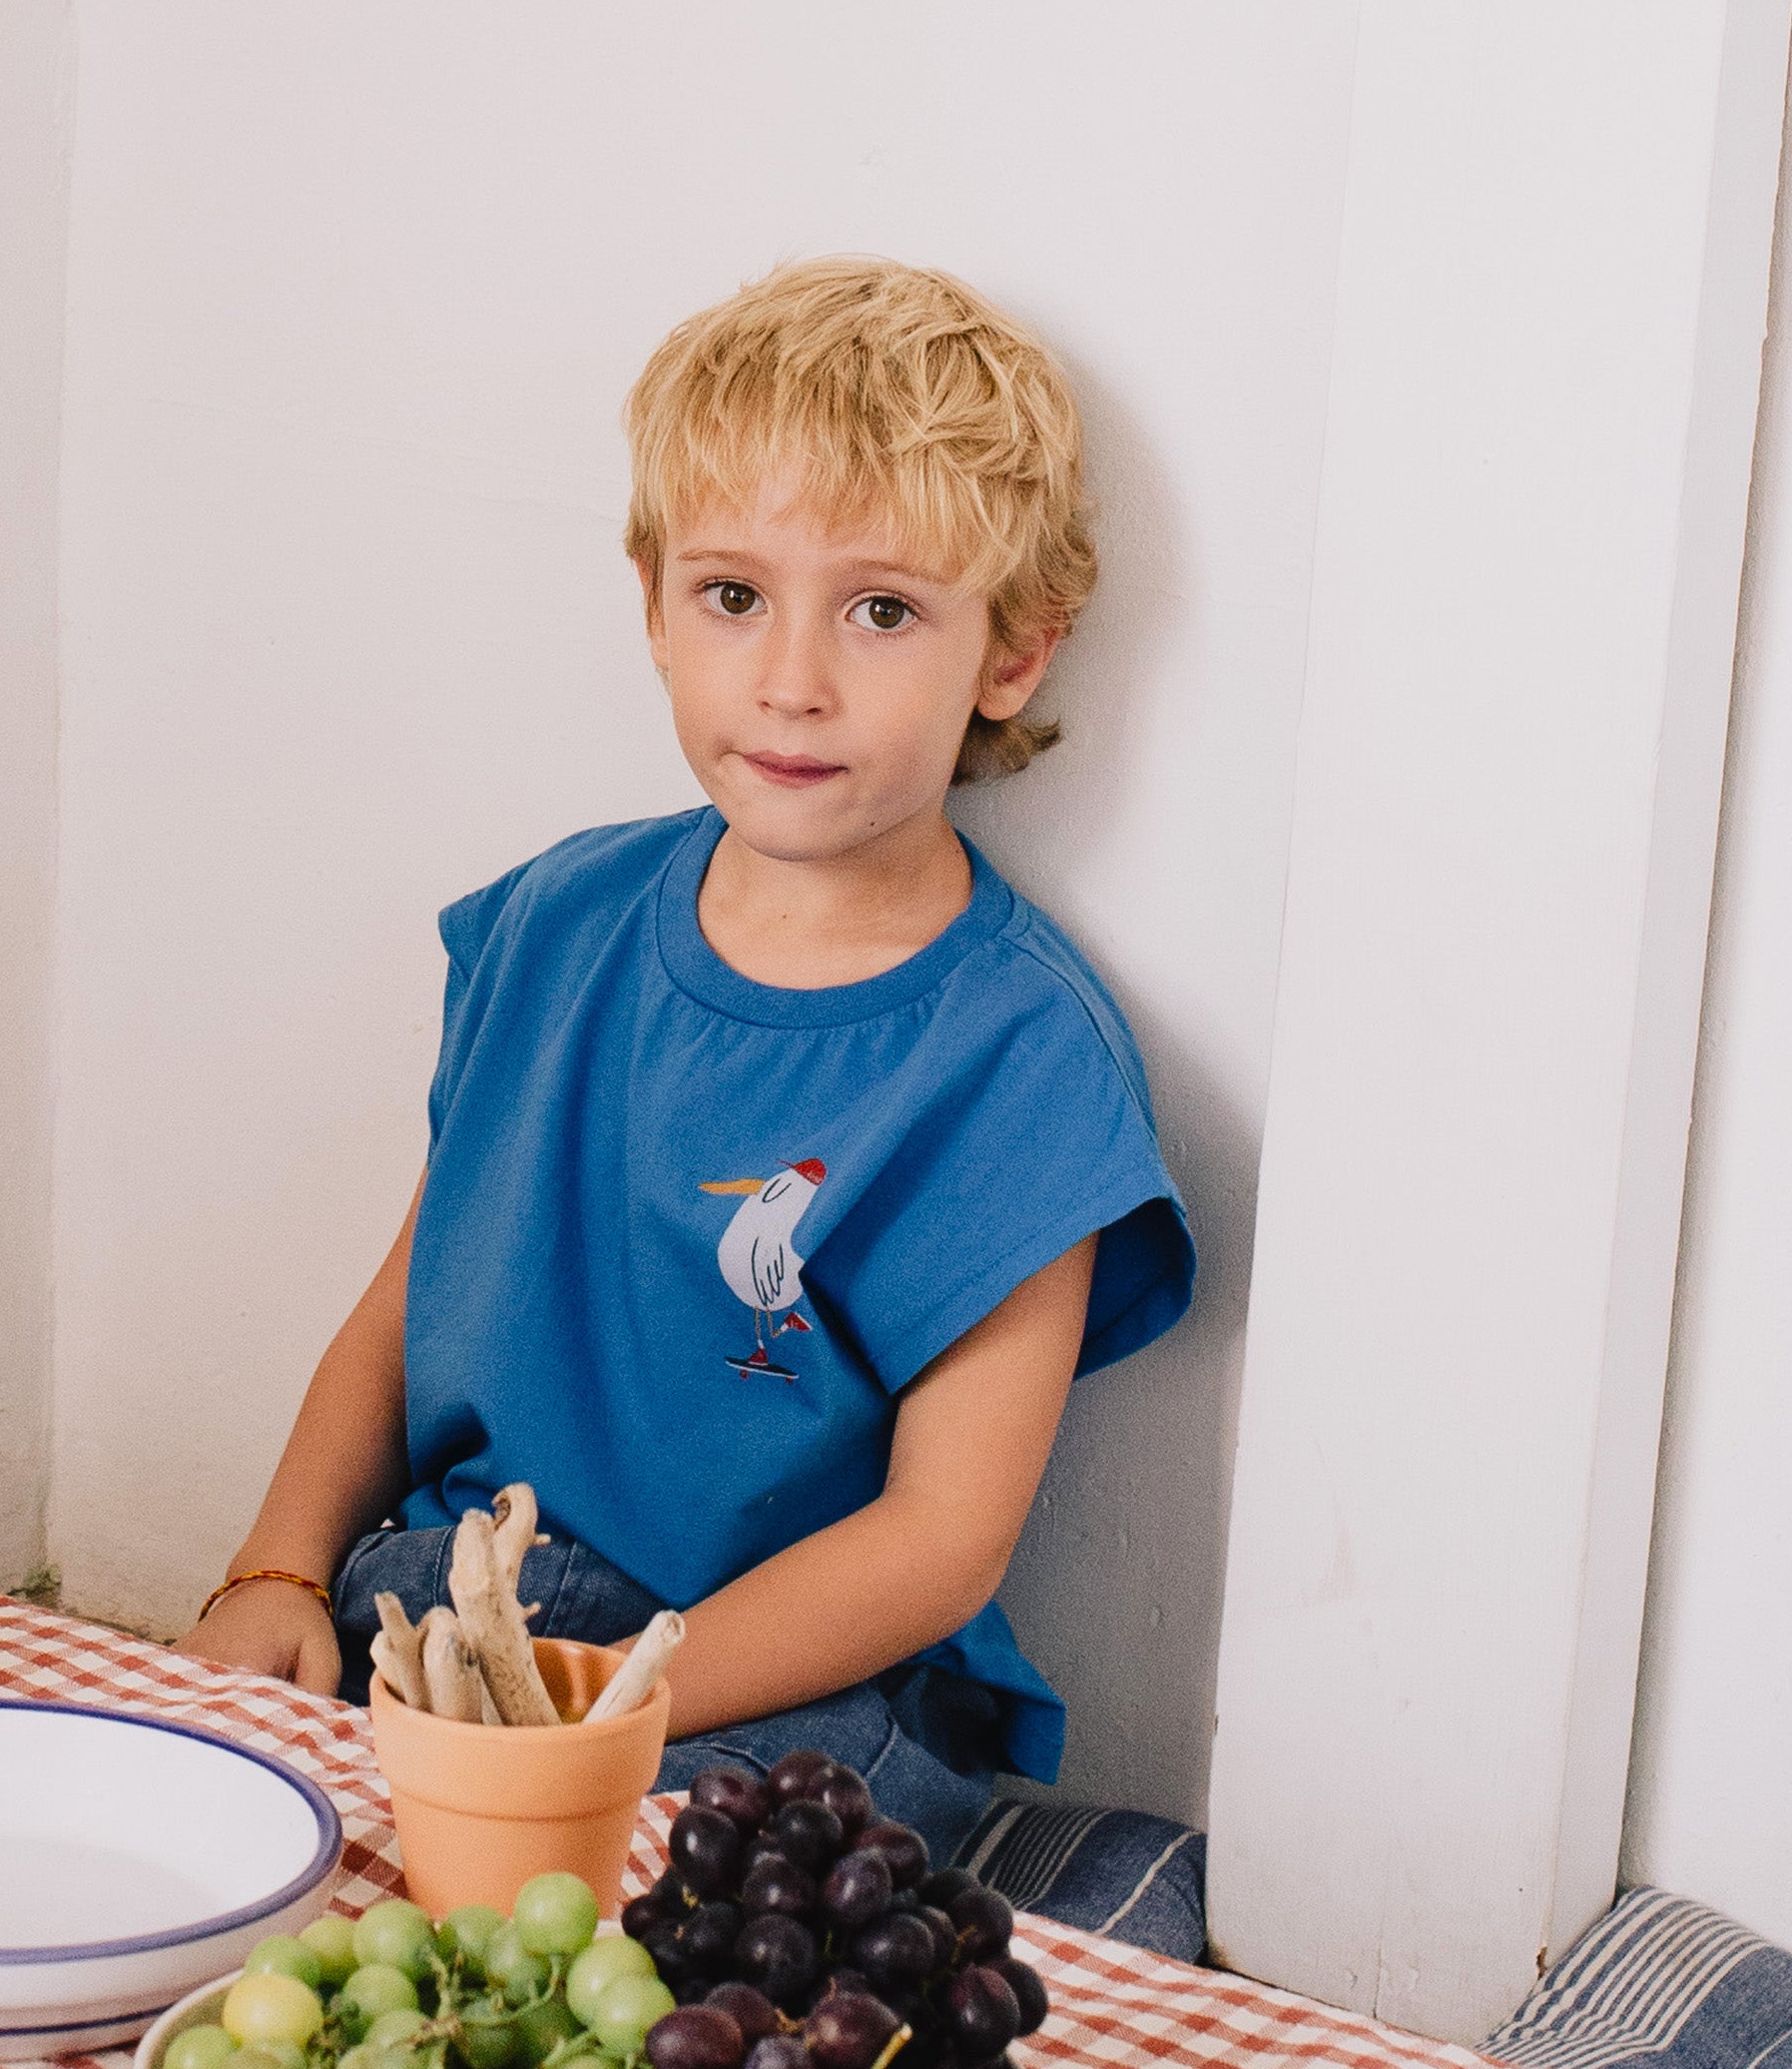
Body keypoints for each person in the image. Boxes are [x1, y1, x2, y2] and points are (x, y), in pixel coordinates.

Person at [183, 258, 1192, 1842]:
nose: (792, 679)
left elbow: (940, 1539)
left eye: (881, 610)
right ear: (653, 603)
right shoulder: (556, 925)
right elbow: (407, 1300)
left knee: (721, 1913)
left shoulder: (1020, 1062)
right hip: (467, 1590)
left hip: (796, 1680)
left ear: (1011, 654)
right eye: (734, 596)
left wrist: (617, 1694)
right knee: (245, 1832)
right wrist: (277, 1566)